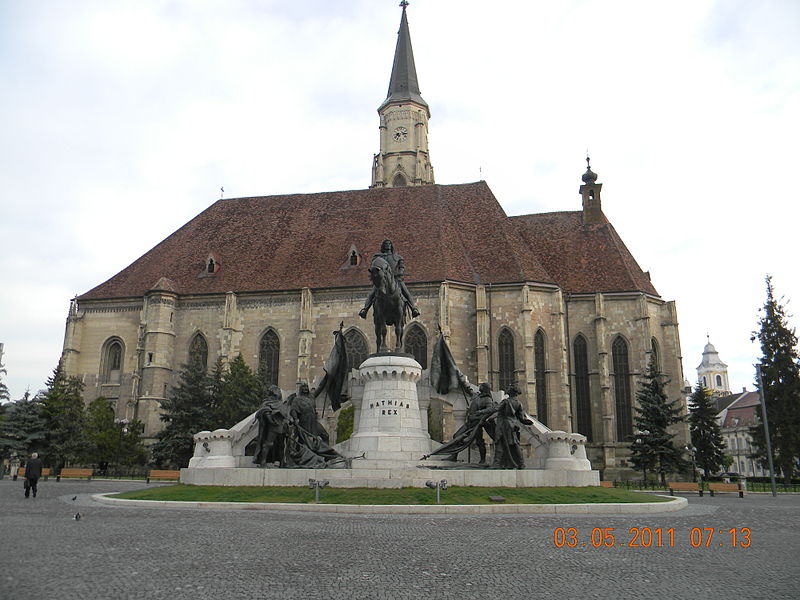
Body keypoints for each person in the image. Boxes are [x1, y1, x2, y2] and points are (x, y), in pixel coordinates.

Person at [359, 239, 420, 319]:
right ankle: (365, 310)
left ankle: (413, 309)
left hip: (396, 279)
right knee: (372, 293)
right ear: (383, 246)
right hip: (382, 280)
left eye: (389, 244)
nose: (387, 245)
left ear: (391, 246)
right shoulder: (378, 257)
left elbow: (401, 267)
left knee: (405, 291)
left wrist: (399, 273)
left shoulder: (397, 257)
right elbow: (374, 267)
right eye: (385, 244)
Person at [447, 382, 497, 464]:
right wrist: (462, 383)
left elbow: (490, 410)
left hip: (477, 423)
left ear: (485, 388)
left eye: (482, 386)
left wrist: (480, 412)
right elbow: (469, 391)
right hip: (470, 422)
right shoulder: (476, 396)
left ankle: (483, 460)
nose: (480, 387)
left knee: (479, 441)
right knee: (456, 436)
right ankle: (454, 456)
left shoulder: (487, 399)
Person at [492, 383, 533, 469]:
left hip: (504, 424)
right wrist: (528, 422)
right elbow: (522, 418)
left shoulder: (506, 402)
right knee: (515, 444)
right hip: (513, 425)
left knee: (500, 442)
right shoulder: (518, 403)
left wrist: (482, 412)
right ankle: (521, 464)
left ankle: (497, 463)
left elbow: (496, 409)